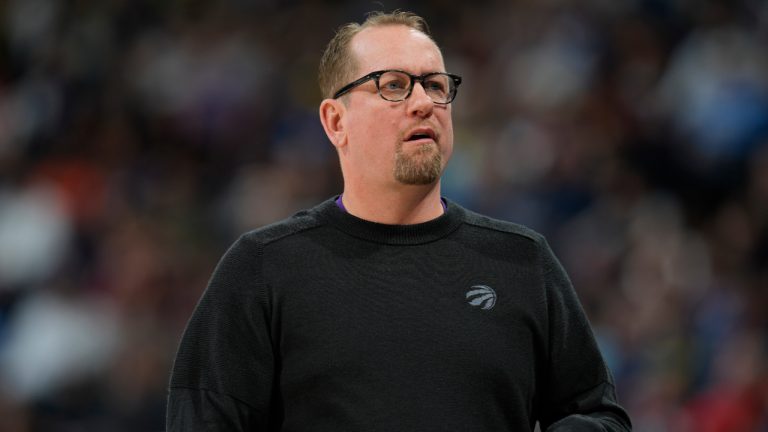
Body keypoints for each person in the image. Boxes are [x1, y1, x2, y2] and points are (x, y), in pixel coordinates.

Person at [166, 10, 632, 432]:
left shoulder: (521, 261)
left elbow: (599, 415)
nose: (423, 102)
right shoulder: (264, 268)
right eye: (393, 85)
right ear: (335, 121)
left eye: (435, 84)